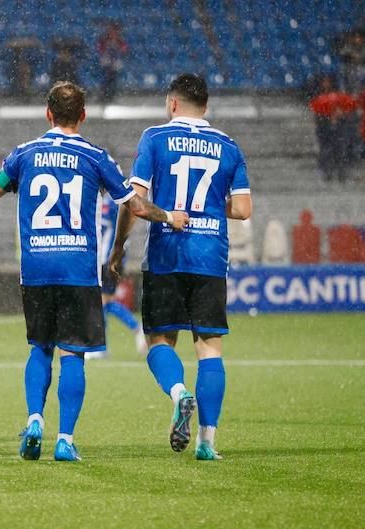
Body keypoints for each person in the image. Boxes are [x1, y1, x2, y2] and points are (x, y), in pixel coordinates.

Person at [0, 82, 183, 461]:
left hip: (37, 267)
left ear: (48, 114)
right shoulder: (96, 157)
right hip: (77, 268)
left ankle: (35, 419)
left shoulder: (22, 155)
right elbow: (134, 205)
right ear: (83, 115)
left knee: (40, 348)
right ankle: (65, 439)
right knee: (73, 354)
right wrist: (169, 216)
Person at [109, 73, 252, 461]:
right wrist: (209, 207)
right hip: (210, 258)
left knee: (159, 341)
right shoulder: (228, 145)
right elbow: (243, 209)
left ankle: (178, 393)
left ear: (172, 103)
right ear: (206, 106)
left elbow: (135, 201)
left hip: (167, 256)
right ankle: (207, 441)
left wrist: (119, 246)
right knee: (209, 348)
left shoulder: (155, 138)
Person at [84, 191, 147, 360]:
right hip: (104, 260)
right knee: (105, 302)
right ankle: (133, 329)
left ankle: (100, 346)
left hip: (108, 260)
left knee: (101, 302)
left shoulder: (110, 204)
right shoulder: (105, 202)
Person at [96, 22, 127, 102]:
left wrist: (117, 47)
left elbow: (124, 50)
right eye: (111, 30)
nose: (112, 32)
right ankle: (104, 95)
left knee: (113, 79)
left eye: (114, 30)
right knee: (105, 79)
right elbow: (100, 49)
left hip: (115, 63)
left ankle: (111, 95)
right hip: (106, 62)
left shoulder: (120, 40)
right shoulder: (104, 39)